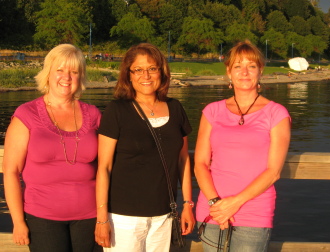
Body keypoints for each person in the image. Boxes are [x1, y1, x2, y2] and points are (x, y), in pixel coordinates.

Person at [95, 43, 195, 251]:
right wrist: (102, 219)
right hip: (123, 218)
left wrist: (187, 204)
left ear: (161, 72)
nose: (146, 75)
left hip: (164, 215)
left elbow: (183, 160)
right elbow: (104, 167)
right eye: (138, 70)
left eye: (152, 68)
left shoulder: (175, 108)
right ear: (128, 75)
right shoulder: (117, 111)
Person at [3, 44, 102, 252]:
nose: (66, 77)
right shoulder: (26, 114)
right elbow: (11, 172)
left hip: (90, 218)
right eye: (60, 70)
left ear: (81, 77)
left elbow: (108, 165)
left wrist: (104, 218)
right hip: (43, 219)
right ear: (48, 73)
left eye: (74, 72)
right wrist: (18, 221)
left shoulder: (94, 114)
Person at [194, 40, 291, 252]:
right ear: (229, 72)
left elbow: (273, 172)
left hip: (253, 211)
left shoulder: (276, 113)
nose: (244, 72)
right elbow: (200, 163)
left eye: (251, 66)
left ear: (260, 71)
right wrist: (216, 205)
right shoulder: (212, 111)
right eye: (238, 66)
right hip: (212, 211)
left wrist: (234, 203)